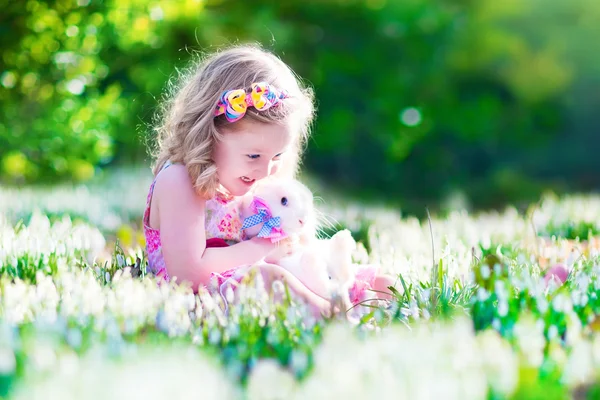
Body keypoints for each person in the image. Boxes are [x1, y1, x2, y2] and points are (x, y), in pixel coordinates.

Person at [143, 44, 395, 316]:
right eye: (253, 156)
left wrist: (293, 246)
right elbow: (189, 273)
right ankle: (335, 316)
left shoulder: (250, 177)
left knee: (379, 282)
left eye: (277, 155)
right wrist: (262, 246)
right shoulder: (180, 180)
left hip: (256, 271)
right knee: (269, 279)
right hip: (205, 295)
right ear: (209, 133)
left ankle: (370, 305)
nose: (265, 171)